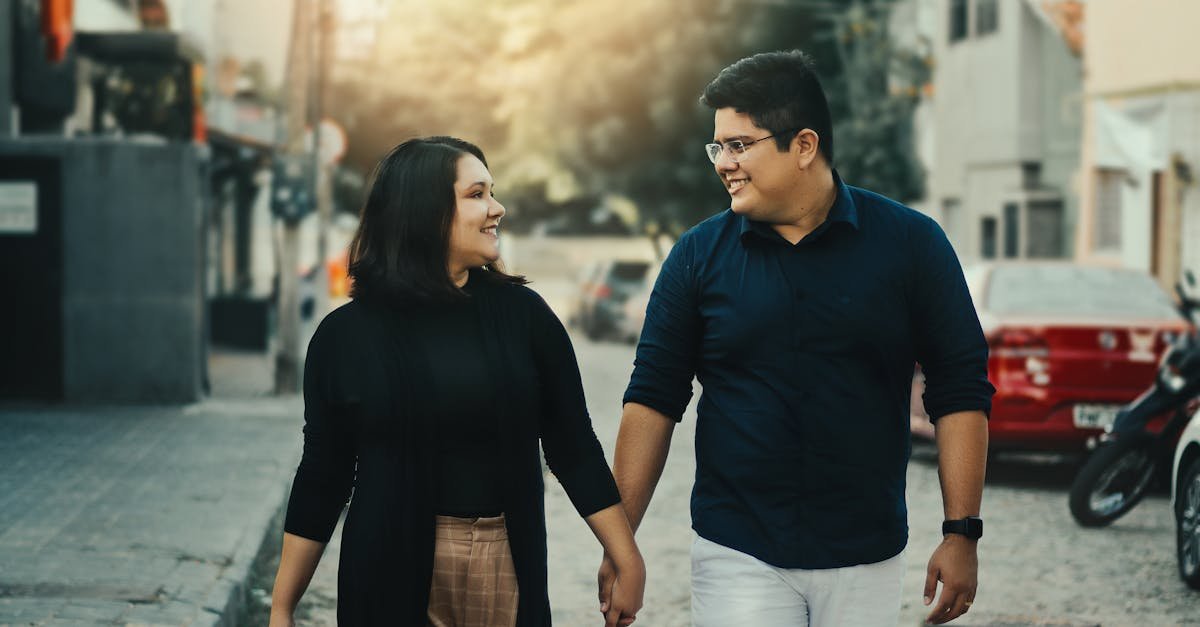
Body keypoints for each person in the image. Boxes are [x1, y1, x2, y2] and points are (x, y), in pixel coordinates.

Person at [596, 50, 994, 626]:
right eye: (717, 147)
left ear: (804, 145)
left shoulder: (913, 245)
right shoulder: (697, 257)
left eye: (739, 145)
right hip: (737, 550)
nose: (723, 164)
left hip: (867, 553)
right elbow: (653, 397)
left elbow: (960, 388)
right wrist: (621, 541)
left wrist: (962, 534)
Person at [269, 136, 645, 627]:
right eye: (476, 194)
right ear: (424, 211)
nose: (497, 208)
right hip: (386, 570)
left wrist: (626, 556)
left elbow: (573, 448)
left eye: (492, 192)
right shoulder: (345, 337)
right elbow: (324, 475)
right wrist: (282, 608)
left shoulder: (525, 317)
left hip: (504, 564)